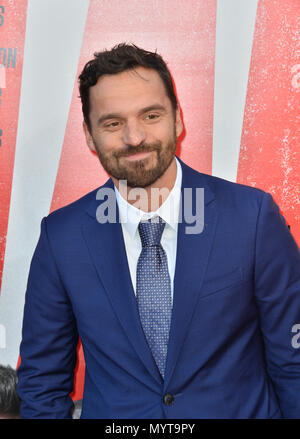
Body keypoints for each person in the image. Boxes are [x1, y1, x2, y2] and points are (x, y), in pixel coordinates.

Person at [17, 43, 300, 419]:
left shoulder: (251, 217)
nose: (134, 137)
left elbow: (293, 363)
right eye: (113, 123)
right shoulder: (62, 238)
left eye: (150, 115)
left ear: (178, 119)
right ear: (88, 135)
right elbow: (42, 381)